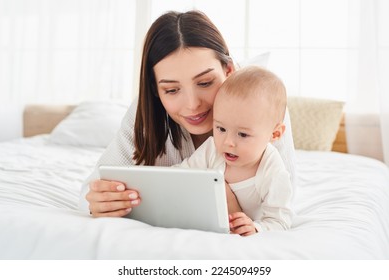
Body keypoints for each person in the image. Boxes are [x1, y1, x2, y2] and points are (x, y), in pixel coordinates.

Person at [79, 10, 296, 219]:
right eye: (172, 90)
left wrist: (230, 204)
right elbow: (91, 189)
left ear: (228, 71)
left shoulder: (261, 105)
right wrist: (99, 201)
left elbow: (281, 205)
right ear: (156, 89)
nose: (192, 105)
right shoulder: (146, 111)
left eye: (204, 83)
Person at [177, 66, 293, 236]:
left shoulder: (272, 169)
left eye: (243, 134)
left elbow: (280, 220)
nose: (228, 142)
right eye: (221, 128)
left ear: (274, 134)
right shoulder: (212, 149)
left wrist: (256, 227)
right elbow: (181, 174)